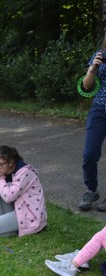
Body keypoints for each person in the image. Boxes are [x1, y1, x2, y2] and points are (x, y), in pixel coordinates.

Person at [0, 145, 47, 237]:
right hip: (16, 209)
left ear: (11, 162)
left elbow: (9, 197)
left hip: (27, 215)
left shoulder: (24, 173)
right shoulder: (4, 172)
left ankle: (5, 228)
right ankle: (0, 221)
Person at [78, 38, 106, 211]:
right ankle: (91, 189)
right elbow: (87, 86)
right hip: (99, 109)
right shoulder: (100, 55)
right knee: (89, 153)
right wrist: (92, 69)